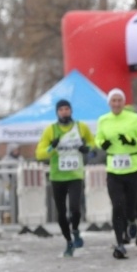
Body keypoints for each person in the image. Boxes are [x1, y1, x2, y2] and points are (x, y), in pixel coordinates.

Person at [35, 99, 95, 257]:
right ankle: (68, 242)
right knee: (61, 213)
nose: (64, 112)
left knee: (75, 208)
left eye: (67, 109)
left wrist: (86, 148)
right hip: (57, 176)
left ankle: (75, 230)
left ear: (71, 111)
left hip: (75, 174)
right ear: (57, 112)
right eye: (61, 109)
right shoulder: (51, 130)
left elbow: (93, 142)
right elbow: (40, 153)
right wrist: (52, 147)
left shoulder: (81, 127)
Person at [95, 89, 137, 259]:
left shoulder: (134, 119)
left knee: (132, 205)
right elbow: (98, 138)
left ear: (124, 103)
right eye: (113, 101)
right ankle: (120, 243)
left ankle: (133, 220)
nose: (116, 104)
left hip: (133, 168)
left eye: (119, 100)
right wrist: (102, 143)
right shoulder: (103, 120)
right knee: (117, 205)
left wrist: (131, 141)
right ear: (109, 103)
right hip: (113, 168)